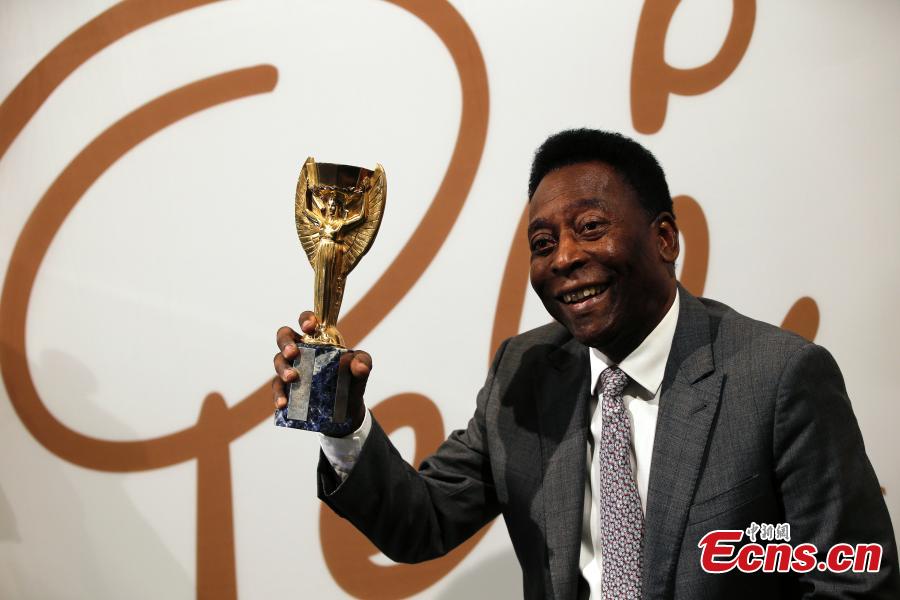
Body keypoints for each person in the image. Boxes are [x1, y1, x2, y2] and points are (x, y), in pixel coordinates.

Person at [272, 129, 900, 599]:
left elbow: (857, 582)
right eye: (543, 244)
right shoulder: (525, 371)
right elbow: (423, 524)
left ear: (665, 239)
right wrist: (341, 424)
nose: (564, 258)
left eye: (592, 227)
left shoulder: (778, 377)